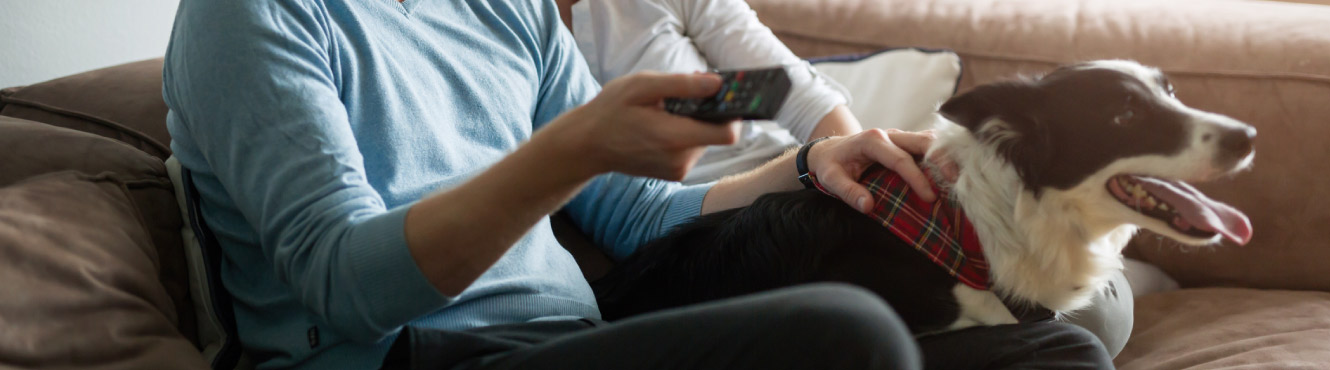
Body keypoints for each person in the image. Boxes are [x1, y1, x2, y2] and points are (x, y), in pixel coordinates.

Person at [162, 0, 1112, 369]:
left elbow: (634, 210)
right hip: (421, 361)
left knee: (1063, 347)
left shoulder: (508, 11)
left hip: (585, 340)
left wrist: (813, 164)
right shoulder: (251, 17)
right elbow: (346, 288)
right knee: (850, 335)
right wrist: (570, 148)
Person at [559, 0, 1135, 357]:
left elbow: (791, 93)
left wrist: (855, 171)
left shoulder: (654, 3)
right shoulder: (505, 39)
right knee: (1077, 326)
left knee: (1104, 305)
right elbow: (625, 211)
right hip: (722, 232)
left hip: (808, 183)